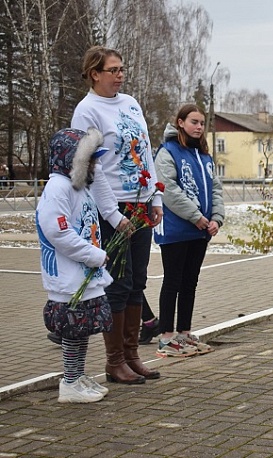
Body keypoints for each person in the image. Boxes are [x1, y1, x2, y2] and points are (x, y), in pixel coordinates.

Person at [71, 45, 162, 384]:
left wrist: (154, 198)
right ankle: (114, 361)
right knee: (118, 284)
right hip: (113, 209)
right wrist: (112, 214)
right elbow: (89, 167)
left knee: (139, 280)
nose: (121, 75)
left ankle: (133, 354)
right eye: (114, 70)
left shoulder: (131, 103)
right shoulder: (87, 111)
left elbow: (146, 151)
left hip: (140, 204)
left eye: (122, 69)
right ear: (95, 73)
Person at [37, 128, 114, 403]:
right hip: (69, 276)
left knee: (82, 329)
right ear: (73, 159)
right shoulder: (58, 188)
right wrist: (93, 255)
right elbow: (58, 232)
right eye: (90, 159)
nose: (95, 164)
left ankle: (77, 375)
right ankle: (69, 381)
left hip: (83, 272)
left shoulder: (78, 186)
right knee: (73, 328)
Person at [153, 104, 224, 357]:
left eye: (202, 123)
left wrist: (216, 218)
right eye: (194, 122)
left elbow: (215, 188)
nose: (199, 127)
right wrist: (196, 217)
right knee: (172, 281)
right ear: (180, 123)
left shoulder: (203, 155)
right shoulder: (168, 152)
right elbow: (168, 189)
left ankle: (184, 333)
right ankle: (166, 337)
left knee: (190, 282)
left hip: (201, 230)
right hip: (176, 229)